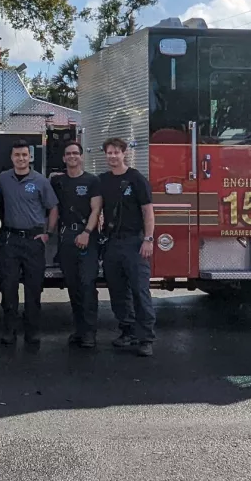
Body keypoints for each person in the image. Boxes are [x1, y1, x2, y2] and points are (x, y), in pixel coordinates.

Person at [0, 140, 58, 346]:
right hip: (10, 240)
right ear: (11, 157)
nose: (21, 159)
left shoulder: (40, 181)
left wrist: (48, 232)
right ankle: (9, 330)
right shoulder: (3, 179)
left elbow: (53, 208)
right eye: (17, 155)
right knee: (9, 288)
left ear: (30, 157)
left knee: (33, 289)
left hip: (33, 241)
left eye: (24, 155)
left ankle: (32, 330)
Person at [99, 137, 157, 357]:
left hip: (135, 243)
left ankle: (146, 338)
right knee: (118, 291)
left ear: (124, 154)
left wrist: (148, 239)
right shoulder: (103, 180)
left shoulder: (136, 179)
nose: (112, 156)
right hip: (112, 243)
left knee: (140, 291)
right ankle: (128, 331)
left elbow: (148, 211)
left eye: (116, 152)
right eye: (109, 153)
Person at [51, 141, 102, 348]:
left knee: (87, 285)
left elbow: (96, 210)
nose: (72, 156)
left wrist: (87, 233)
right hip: (66, 238)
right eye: (68, 154)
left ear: (81, 157)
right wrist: (48, 232)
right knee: (73, 287)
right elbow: (52, 208)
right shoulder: (57, 182)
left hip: (86, 238)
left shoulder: (92, 181)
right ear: (63, 158)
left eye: (75, 153)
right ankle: (79, 330)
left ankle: (90, 332)